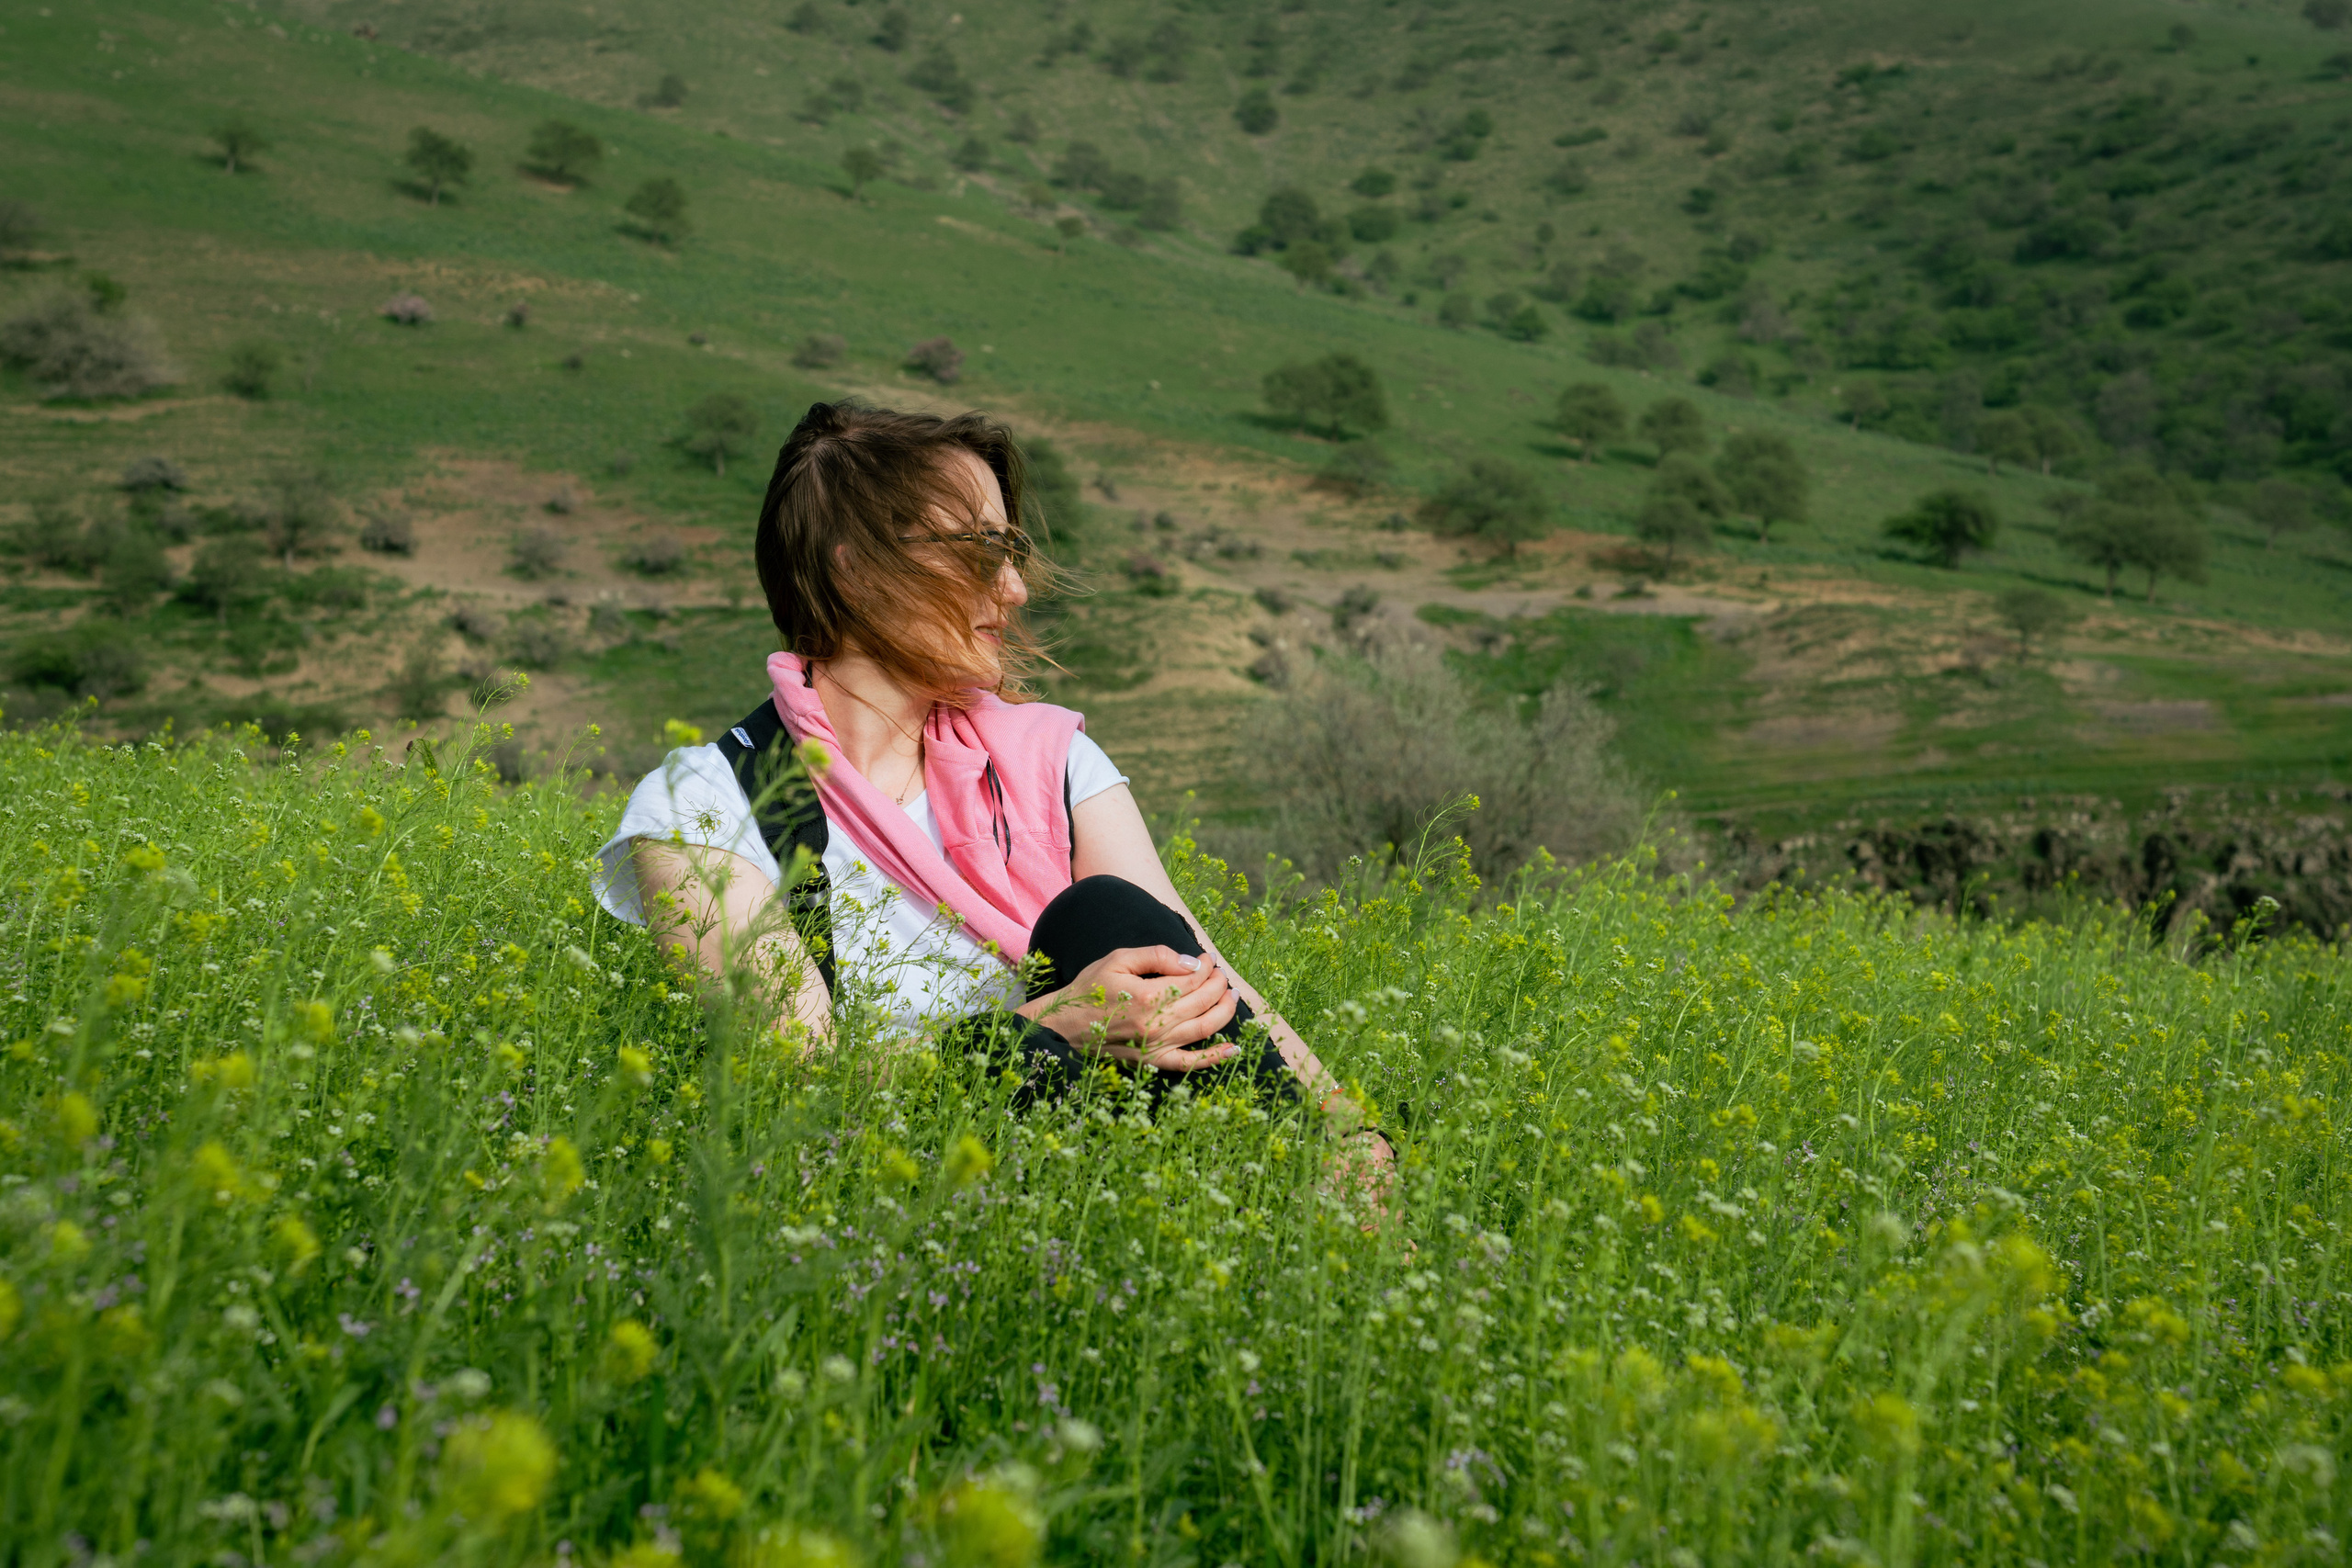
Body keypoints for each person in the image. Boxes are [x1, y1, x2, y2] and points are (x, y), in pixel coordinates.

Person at [593, 400, 1389, 1176]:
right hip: (890, 1177)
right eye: (982, 552)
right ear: (860, 568)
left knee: (1107, 913)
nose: (1013, 589)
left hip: (1112, 1152)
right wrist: (1054, 1023)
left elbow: (1199, 966)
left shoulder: (1051, 758)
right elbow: (794, 1077)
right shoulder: (711, 801)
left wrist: (1355, 1132)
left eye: (1012, 552)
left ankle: (1321, 1198)